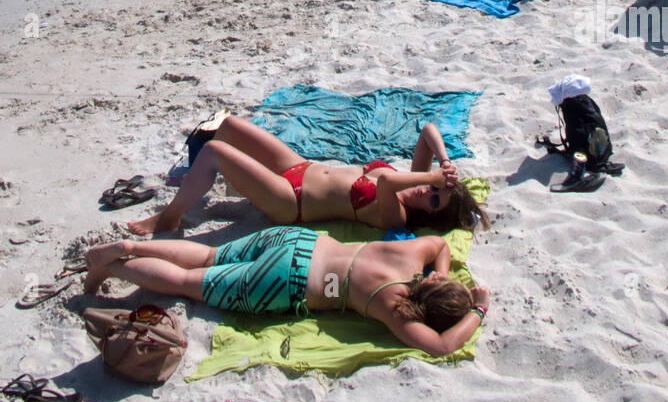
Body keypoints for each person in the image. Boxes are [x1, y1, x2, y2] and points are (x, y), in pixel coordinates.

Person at [84, 229, 491, 356]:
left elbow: (440, 244)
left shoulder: (409, 254)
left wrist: (449, 278)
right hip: (292, 279)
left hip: (301, 241)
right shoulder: (395, 304)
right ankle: (118, 266)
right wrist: (478, 313)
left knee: (209, 254)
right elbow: (439, 346)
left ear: (435, 284)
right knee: (185, 283)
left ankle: (131, 246)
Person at [128, 117, 488, 236]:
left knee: (213, 152)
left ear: (430, 211)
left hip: (292, 201)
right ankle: (216, 183)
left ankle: (170, 217)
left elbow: (385, 183)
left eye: (435, 198)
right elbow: (427, 129)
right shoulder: (420, 179)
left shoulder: (397, 215)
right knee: (231, 127)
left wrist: (436, 181)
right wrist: (442, 162)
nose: (429, 189)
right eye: (435, 189)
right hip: (300, 167)